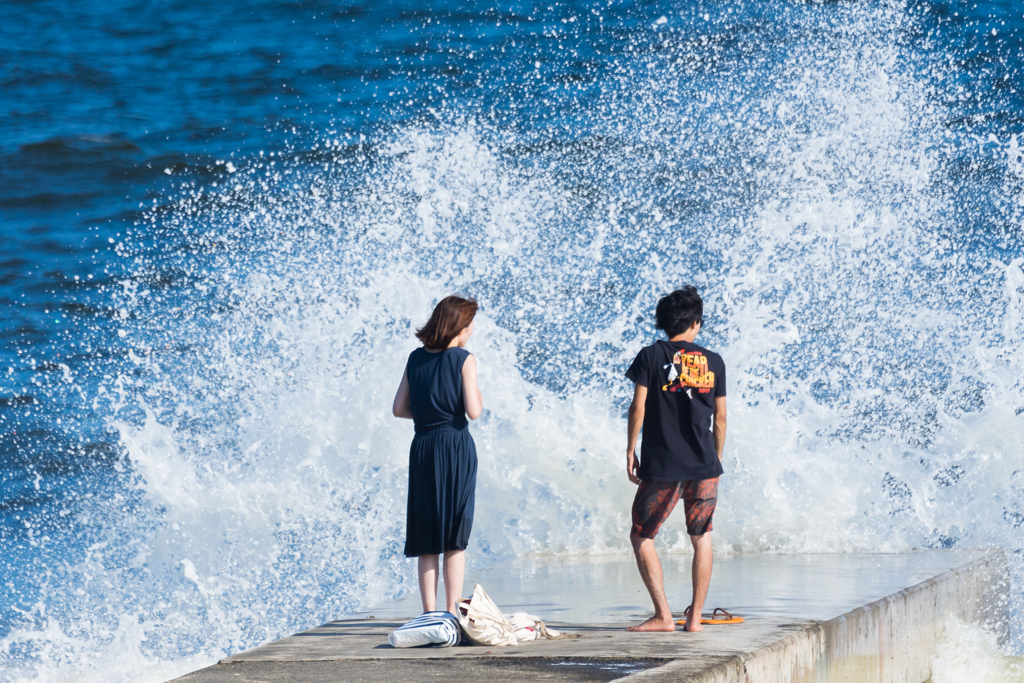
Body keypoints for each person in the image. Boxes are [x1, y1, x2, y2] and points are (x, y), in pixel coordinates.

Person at [624, 286, 727, 632]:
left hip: (664, 465)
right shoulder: (714, 361)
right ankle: (694, 619)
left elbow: (638, 407)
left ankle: (664, 615)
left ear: (664, 323)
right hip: (705, 465)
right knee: (702, 536)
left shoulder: (650, 356)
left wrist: (630, 449)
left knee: (642, 535)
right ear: (696, 323)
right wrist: (715, 459)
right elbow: (721, 418)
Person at [392, 295, 483, 615]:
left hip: (422, 447)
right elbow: (474, 411)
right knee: (454, 536)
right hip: (454, 447)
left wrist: (428, 416)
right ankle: (452, 612)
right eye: (470, 325)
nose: (472, 330)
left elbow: (399, 409)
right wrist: (477, 394)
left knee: (427, 536)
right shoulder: (464, 359)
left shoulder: (415, 358)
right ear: (460, 327)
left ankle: (429, 614)